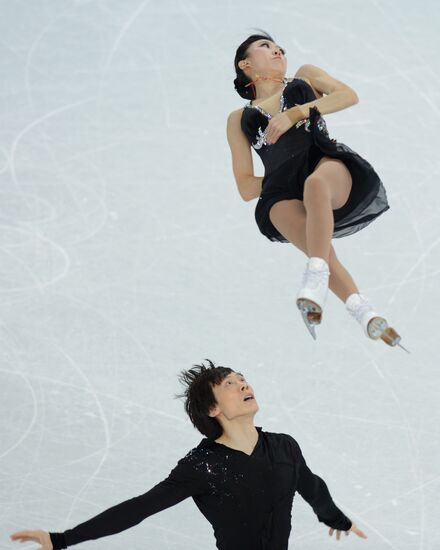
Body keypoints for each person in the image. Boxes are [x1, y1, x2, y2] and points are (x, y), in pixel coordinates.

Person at [11, 360, 367, 550]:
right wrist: (62, 539)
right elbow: (140, 508)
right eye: (230, 383)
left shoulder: (284, 446)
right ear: (212, 409)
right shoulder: (203, 466)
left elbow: (310, 485)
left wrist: (335, 518)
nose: (245, 384)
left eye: (243, 378)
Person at [227, 32, 407, 351]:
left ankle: (315, 276)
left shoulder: (305, 77)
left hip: (327, 165)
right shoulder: (238, 119)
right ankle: (364, 311)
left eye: (280, 47)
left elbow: (348, 95)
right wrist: (281, 180)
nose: (277, 50)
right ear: (246, 64)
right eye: (266, 47)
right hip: (282, 189)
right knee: (298, 227)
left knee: (316, 184)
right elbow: (244, 185)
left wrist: (295, 113)